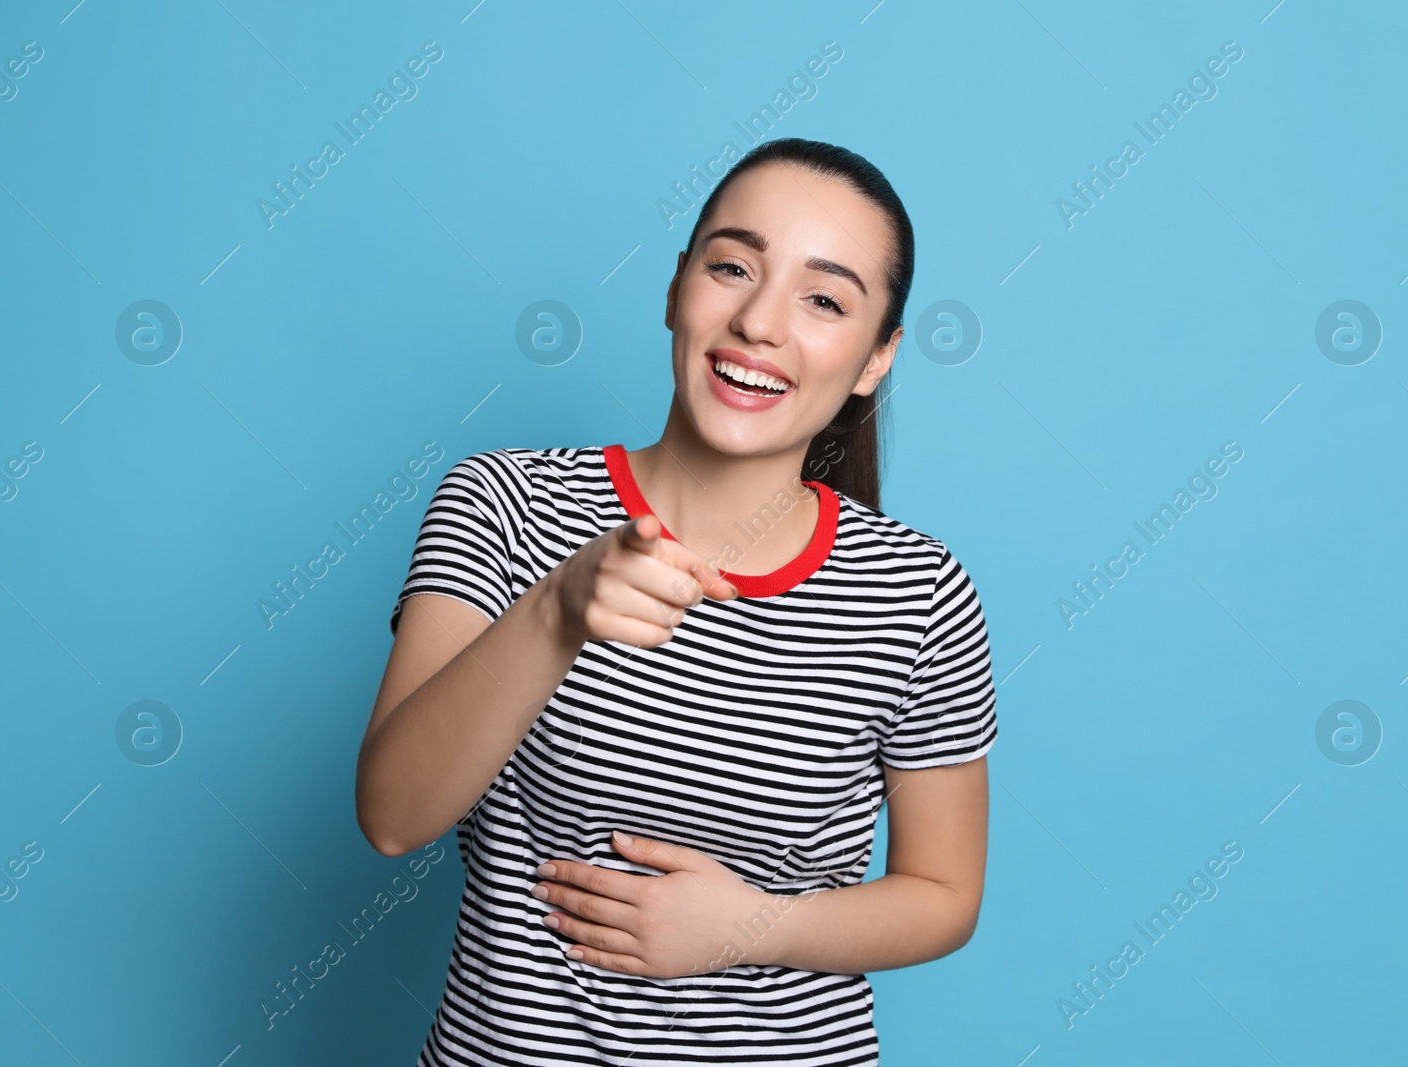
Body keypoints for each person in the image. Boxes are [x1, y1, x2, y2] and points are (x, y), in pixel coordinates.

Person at [356, 137, 999, 1066]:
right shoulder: (504, 505)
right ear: (676, 289)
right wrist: (558, 608)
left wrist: (754, 928)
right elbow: (392, 814)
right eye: (733, 265)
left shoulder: (918, 590)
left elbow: (943, 893)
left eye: (824, 299)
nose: (760, 321)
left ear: (875, 359)